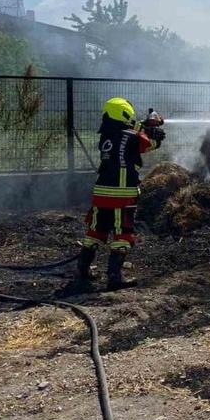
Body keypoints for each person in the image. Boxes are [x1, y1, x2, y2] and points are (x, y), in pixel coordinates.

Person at [63, 97, 165, 294]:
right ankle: (114, 278)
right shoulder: (133, 136)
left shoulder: (106, 136)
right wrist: (155, 133)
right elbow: (150, 144)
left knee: (96, 230)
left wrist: (145, 125)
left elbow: (126, 133)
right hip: (122, 194)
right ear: (126, 114)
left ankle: (82, 269)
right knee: (123, 233)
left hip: (101, 192)